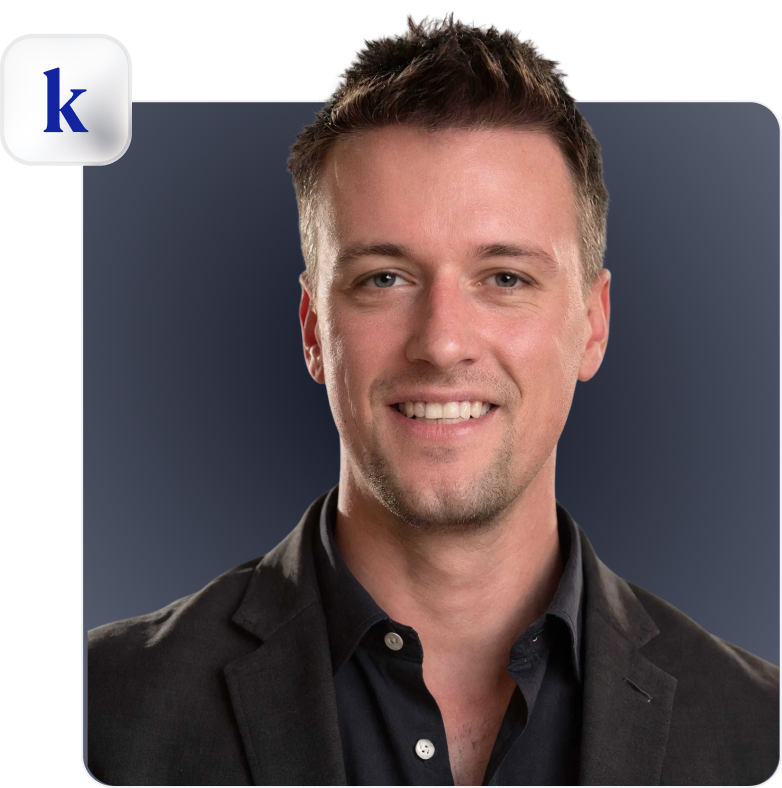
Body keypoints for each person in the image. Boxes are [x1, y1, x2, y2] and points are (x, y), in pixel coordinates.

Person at [87, 14, 779, 786]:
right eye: (385, 278)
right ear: (315, 330)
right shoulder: (104, 709)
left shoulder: (759, 732)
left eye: (505, 278)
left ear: (594, 325)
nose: (443, 342)